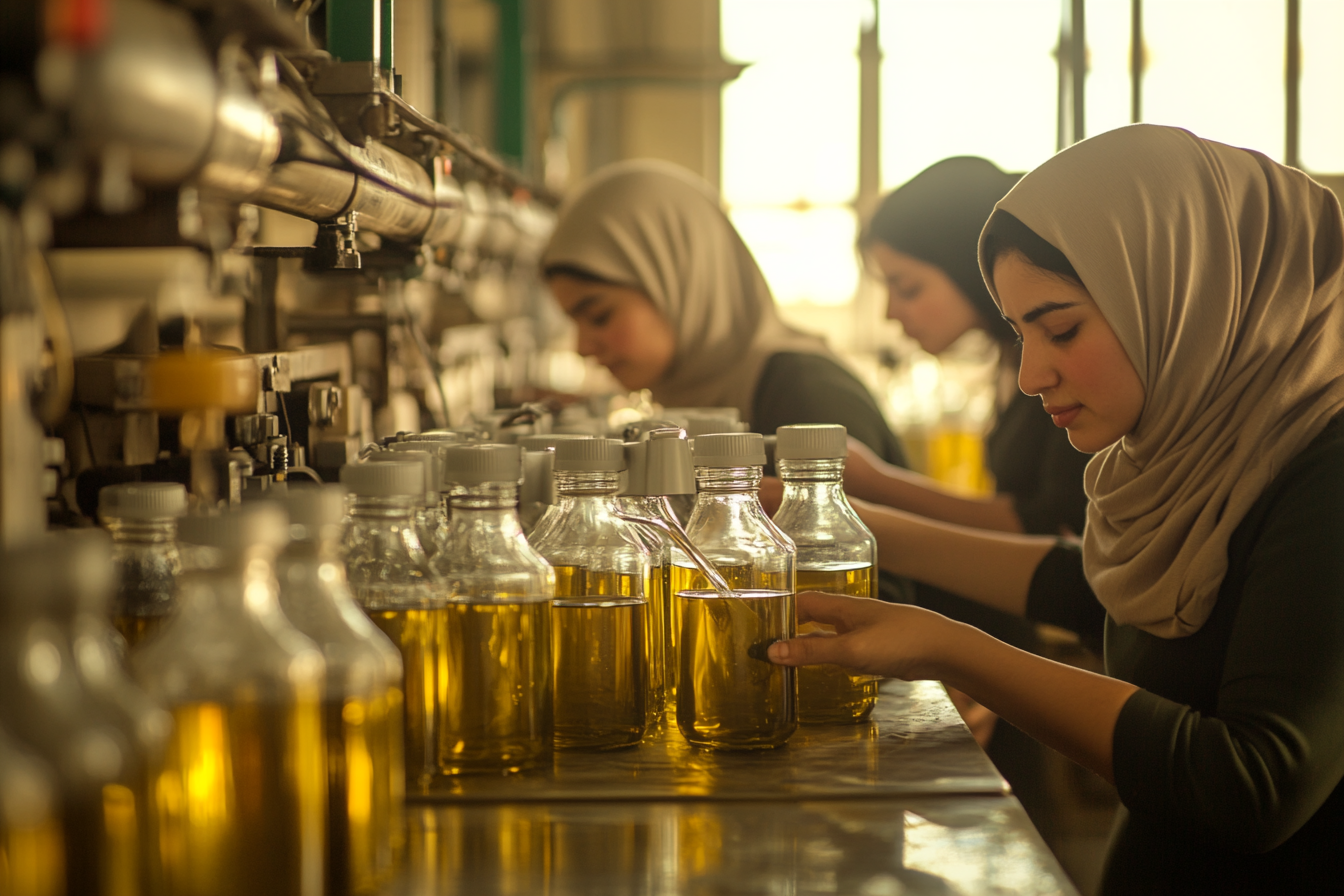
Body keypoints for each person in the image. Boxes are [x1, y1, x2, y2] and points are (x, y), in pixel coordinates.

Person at [769, 124, 1344, 894]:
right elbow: (1103, 592)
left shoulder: (1326, 467)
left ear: (1185, 291)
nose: (1035, 373)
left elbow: (1250, 782)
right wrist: (845, 523)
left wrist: (949, 649)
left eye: (1063, 328)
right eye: (1019, 334)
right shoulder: (1202, 452)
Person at [539, 159, 907, 467]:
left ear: (684, 281)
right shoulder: (705, 394)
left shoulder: (805, 396)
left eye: (600, 316)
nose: (582, 347)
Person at [854, 156, 1090, 536]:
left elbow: (1052, 524)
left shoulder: (1063, 370)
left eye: (908, 288)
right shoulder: (1010, 364)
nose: (890, 313)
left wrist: (876, 483)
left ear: (969, 265)